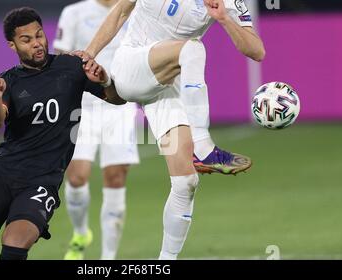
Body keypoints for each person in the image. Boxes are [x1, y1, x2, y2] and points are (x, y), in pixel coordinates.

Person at [76, 0, 266, 259]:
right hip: (132, 64)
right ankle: (204, 146)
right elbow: (121, 9)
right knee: (193, 50)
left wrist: (223, 18)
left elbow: (257, 51)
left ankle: (166, 262)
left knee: (186, 181)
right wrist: (90, 52)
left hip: (168, 82)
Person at [0, 7, 122, 260]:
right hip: (1, 173)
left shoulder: (71, 67)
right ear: (12, 45)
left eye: (39, 35)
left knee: (15, 244)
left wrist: (105, 79)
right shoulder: (7, 81)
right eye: (27, 40)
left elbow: (116, 99)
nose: (37, 44)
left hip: (42, 180)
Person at [53, 0, 139, 260]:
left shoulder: (134, 8)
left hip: (119, 104)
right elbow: (59, 58)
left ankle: (108, 258)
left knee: (115, 178)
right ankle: (81, 233)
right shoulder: (74, 13)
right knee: (77, 178)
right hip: (82, 108)